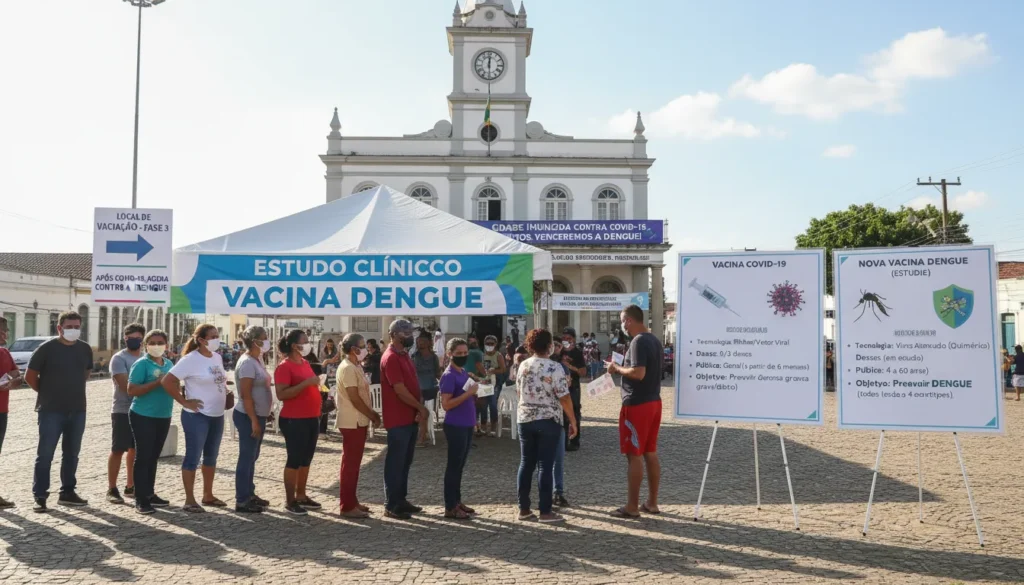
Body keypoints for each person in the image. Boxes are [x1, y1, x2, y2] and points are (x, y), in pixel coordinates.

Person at [128, 329, 200, 514]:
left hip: (163, 415)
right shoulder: (141, 364)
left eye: (160, 342)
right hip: (143, 415)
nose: (156, 346)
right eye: (152, 342)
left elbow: (173, 385)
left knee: (154, 456)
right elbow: (132, 390)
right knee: (143, 456)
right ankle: (140, 498)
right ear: (146, 345)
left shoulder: (169, 363)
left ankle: (150, 493)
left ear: (166, 345)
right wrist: (157, 383)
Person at [26, 311, 92, 512]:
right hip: (50, 410)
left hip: (77, 409)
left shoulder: (85, 349)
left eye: (76, 327)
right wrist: (47, 392)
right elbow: (30, 376)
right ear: (59, 328)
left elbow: (86, 373)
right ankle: (40, 494)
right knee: (45, 454)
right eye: (69, 326)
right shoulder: (46, 349)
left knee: (72, 454)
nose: (73, 330)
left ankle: (67, 492)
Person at [162, 324, 232, 513]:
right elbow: (167, 381)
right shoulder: (190, 360)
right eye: (213, 336)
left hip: (217, 414)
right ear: (201, 340)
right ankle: (189, 499)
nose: (217, 339)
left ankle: (207, 494)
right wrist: (184, 402)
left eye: (218, 335)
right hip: (197, 416)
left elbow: (217, 379)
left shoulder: (216, 357)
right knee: (193, 456)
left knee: (211, 456)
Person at [607, 304, 664, 519]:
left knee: (635, 455)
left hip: (638, 403)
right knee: (650, 452)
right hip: (654, 401)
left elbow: (639, 373)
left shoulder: (639, 341)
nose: (622, 325)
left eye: (622, 320)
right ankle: (652, 502)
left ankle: (631, 506)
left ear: (629, 321)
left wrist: (616, 369)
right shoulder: (654, 340)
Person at [515, 328, 578, 523]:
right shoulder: (554, 367)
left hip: (525, 418)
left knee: (526, 463)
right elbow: (564, 397)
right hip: (548, 419)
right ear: (549, 345)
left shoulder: (523, 365)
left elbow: (519, 391)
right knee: (545, 465)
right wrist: (573, 421)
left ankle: (523, 509)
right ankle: (545, 511)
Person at [380, 319, 428, 520]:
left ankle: (401, 499)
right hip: (398, 417)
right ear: (395, 335)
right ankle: (392, 504)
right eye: (406, 333)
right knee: (396, 461)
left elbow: (413, 383)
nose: (410, 337)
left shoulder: (404, 355)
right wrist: (419, 407)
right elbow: (399, 389)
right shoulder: (390, 357)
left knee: (405, 461)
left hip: (409, 416)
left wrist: (419, 405)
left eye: (410, 333)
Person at [274, 329, 323, 516]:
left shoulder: (305, 363)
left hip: (311, 416)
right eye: (305, 341)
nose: (308, 343)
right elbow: (282, 393)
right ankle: (290, 500)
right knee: (294, 459)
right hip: (294, 419)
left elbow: (310, 383)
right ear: (295, 345)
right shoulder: (284, 367)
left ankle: (301, 494)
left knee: (306, 459)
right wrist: (307, 384)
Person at [337, 333, 380, 518]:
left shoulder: (356, 366)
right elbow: (354, 397)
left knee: (354, 464)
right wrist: (372, 414)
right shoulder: (347, 368)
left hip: (358, 420)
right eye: (361, 346)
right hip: (352, 419)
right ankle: (347, 506)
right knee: (351, 465)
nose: (364, 349)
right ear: (354, 349)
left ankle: (352, 500)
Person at [233, 326, 273, 514]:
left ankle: (249, 493)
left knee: (252, 457)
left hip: (259, 414)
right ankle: (242, 499)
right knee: (246, 457)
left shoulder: (258, 359)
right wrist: (254, 420)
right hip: (248, 415)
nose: (267, 341)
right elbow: (246, 394)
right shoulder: (247, 362)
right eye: (264, 338)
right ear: (255, 341)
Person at [439, 337, 479, 520]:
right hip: (455, 425)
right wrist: (468, 394)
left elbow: (467, 396)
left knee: (460, 465)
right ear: (450, 354)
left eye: (465, 353)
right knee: (454, 466)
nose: (463, 356)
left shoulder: (463, 372)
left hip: (467, 423)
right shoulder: (448, 376)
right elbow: (446, 404)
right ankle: (450, 506)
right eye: (459, 353)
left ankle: (457, 500)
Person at [107, 322, 145, 505]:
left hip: (143, 410)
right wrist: (152, 386)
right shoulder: (119, 358)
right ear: (125, 339)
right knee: (118, 449)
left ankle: (131, 485)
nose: (134, 341)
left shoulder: (147, 358)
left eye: (138, 338)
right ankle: (112, 488)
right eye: (131, 338)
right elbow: (125, 386)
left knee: (136, 450)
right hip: (122, 409)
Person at [0, 317, 23, 508]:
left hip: (1, 412)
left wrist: (13, 382)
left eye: (5, 330)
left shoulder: (5, 353)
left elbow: (17, 376)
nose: (5, 333)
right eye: (1, 330)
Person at [560, 328, 586, 451]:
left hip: (573, 387)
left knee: (574, 413)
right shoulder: (558, 351)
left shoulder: (577, 352)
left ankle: (575, 441)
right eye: (564, 338)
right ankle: (563, 441)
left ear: (574, 339)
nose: (565, 341)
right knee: (562, 414)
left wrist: (570, 366)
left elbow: (583, 372)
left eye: (568, 338)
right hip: (560, 387)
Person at [413, 333, 441, 447]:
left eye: (423, 341)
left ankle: (422, 437)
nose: (420, 343)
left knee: (423, 411)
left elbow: (438, 373)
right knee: (419, 411)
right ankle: (421, 435)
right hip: (417, 388)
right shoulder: (414, 356)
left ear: (429, 343)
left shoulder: (433, 357)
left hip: (430, 389)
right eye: (419, 341)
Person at [478, 335, 507, 437]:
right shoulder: (481, 355)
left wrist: (494, 370)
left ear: (495, 344)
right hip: (483, 382)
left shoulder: (498, 355)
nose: (489, 345)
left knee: (493, 404)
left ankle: (494, 426)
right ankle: (483, 426)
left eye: (491, 344)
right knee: (483, 405)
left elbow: (503, 369)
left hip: (495, 383)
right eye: (487, 344)